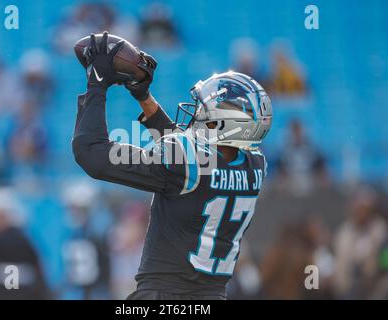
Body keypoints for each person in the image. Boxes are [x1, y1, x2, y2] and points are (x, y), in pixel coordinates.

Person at [72, 32, 273, 300]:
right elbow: (193, 159)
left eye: (205, 112)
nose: (197, 116)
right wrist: (143, 95)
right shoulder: (253, 166)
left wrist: (97, 84)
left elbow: (92, 154)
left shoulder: (189, 163)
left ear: (226, 124)